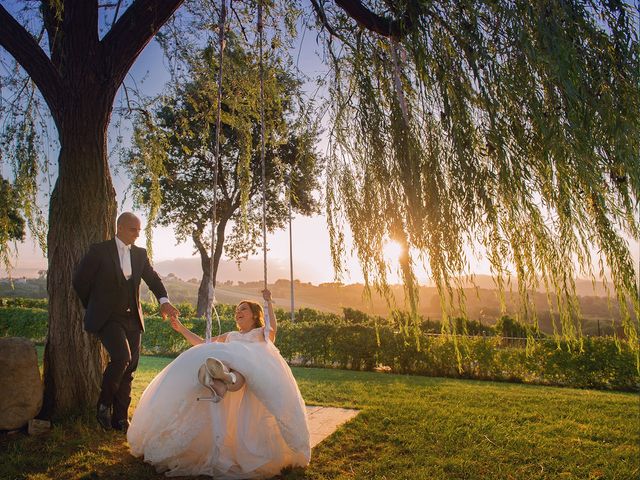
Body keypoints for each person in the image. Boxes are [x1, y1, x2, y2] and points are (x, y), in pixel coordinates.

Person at [127, 289, 311, 479]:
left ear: (255, 315)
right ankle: (218, 376)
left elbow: (273, 328)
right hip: (231, 362)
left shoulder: (261, 334)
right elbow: (201, 343)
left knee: (239, 372)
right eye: (237, 310)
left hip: (252, 367)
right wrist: (181, 328)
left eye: (243, 309)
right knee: (215, 354)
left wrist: (268, 302)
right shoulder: (230, 335)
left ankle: (221, 379)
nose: (238, 312)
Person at [72, 212, 180, 432]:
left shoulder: (140, 254)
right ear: (120, 227)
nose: (138, 235)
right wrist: (94, 305)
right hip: (108, 318)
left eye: (139, 230)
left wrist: (164, 301)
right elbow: (80, 282)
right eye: (134, 230)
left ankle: (120, 418)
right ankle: (103, 405)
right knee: (122, 357)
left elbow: (153, 279)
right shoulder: (99, 251)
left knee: (130, 368)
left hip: (133, 318)